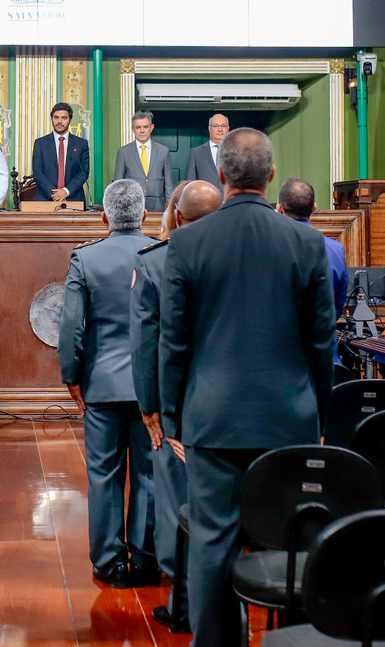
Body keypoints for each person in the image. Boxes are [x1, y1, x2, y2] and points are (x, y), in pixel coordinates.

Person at [160, 128, 335, 647]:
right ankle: (295, 639)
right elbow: (321, 342)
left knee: (213, 543)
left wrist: (172, 416)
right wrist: (320, 417)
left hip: (213, 416)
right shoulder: (307, 240)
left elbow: (175, 340)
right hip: (290, 417)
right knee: (293, 540)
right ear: (272, 177)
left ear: (220, 175)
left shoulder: (188, 240)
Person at [130, 179, 222, 633]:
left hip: (180, 404)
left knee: (176, 499)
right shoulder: (244, 257)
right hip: (235, 402)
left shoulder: (156, 262)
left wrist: (151, 408)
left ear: (177, 217)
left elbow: (147, 344)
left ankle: (182, 601)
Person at [58, 179, 158, 589]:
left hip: (101, 383)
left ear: (104, 217)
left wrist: (71, 376)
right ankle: (148, 556)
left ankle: (108, 560)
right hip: (152, 386)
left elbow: (70, 327)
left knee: (103, 473)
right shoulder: (160, 254)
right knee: (150, 474)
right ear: (145, 216)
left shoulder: (86, 258)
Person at [277, 177, 348, 317]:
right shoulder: (336, 250)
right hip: (321, 335)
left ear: (280, 209)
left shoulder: (268, 246)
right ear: (313, 208)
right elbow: (336, 308)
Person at [113, 111, 174, 212]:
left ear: (151, 127)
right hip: (131, 206)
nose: (142, 131)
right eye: (138, 127)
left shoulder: (163, 151)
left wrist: (169, 206)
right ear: (133, 129)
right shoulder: (123, 152)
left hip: (158, 206)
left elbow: (169, 183)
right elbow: (117, 184)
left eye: (145, 127)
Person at [32, 102, 90, 203]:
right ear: (51, 119)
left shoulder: (81, 144)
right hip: (46, 199)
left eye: (64, 118)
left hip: (73, 198)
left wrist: (66, 191)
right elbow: (37, 172)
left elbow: (83, 172)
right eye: (56, 117)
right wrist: (55, 194)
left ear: (70, 120)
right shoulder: (40, 143)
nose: (59, 121)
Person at [184, 114, 230, 189]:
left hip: (229, 200)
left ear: (228, 128)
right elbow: (189, 185)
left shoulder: (237, 152)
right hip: (204, 200)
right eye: (216, 126)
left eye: (223, 126)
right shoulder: (196, 153)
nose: (220, 129)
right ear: (209, 129)